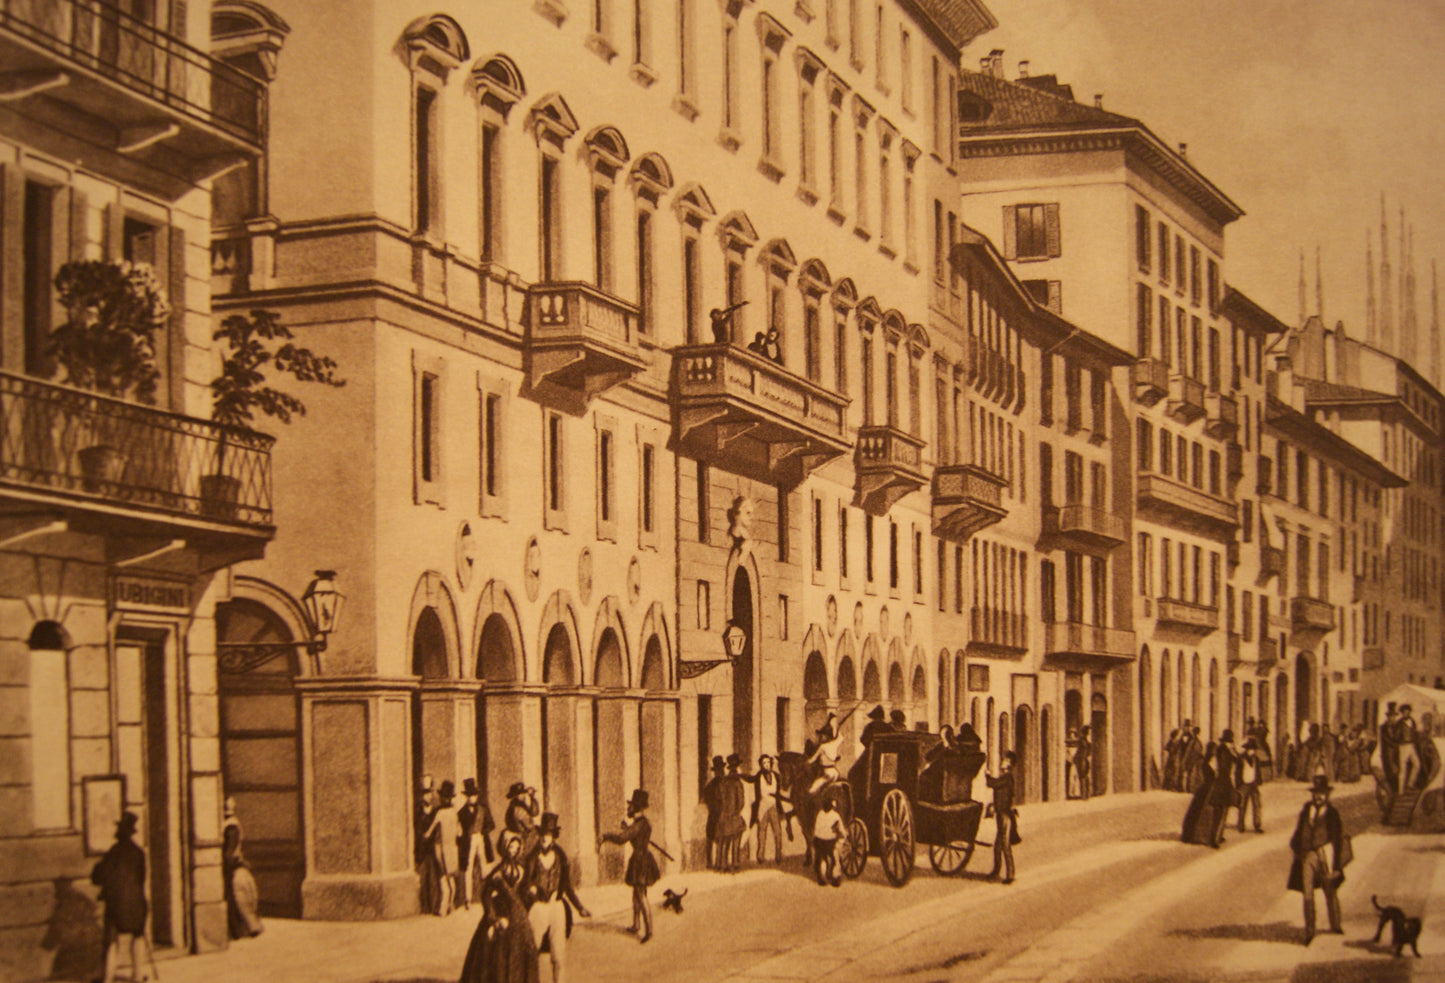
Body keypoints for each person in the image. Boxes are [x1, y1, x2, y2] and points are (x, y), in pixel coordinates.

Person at [459, 831, 539, 983]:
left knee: (527, 949)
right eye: (511, 847)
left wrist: (530, 896)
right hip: (501, 914)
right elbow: (486, 896)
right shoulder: (497, 872)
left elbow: (525, 895)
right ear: (504, 848)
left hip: (518, 917)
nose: (513, 850)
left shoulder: (522, 871)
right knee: (495, 955)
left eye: (516, 848)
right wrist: (493, 918)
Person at [523, 813, 590, 983]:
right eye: (542, 834)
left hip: (557, 907)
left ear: (553, 836)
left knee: (558, 957)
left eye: (548, 834)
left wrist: (580, 907)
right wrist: (530, 892)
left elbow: (567, 886)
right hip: (537, 908)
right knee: (532, 952)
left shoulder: (560, 856)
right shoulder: (532, 857)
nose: (544, 838)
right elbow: (524, 884)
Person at [93, 812, 153, 983]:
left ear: (120, 833)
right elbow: (142, 878)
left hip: (116, 904)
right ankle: (137, 975)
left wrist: (98, 867)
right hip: (136, 903)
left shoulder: (113, 852)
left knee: (112, 941)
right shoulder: (139, 853)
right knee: (138, 936)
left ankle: (108, 978)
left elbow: (98, 877)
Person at [1288, 776, 1347, 945]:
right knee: (1307, 893)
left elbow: (1337, 839)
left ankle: (1335, 924)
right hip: (1308, 857)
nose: (1319, 797)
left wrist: (1336, 866)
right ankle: (1309, 931)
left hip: (1325, 855)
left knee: (1330, 890)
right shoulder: (1306, 810)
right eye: (1316, 794)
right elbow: (1299, 831)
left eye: (1322, 794)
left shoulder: (1332, 814)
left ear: (1327, 795)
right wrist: (1297, 847)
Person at [599, 790, 660, 943]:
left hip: (640, 861)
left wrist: (606, 836)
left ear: (636, 807)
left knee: (641, 895)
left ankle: (649, 930)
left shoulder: (639, 825)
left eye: (630, 807)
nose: (628, 809)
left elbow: (621, 839)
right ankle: (636, 924)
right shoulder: (642, 823)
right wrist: (627, 828)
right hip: (642, 858)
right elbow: (633, 837)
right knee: (636, 893)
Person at [222, 797, 263, 939]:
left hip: (232, 866)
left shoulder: (231, 825)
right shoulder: (230, 824)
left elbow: (230, 850)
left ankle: (242, 930)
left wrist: (226, 861)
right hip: (233, 864)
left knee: (238, 898)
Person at [426, 780, 462, 915]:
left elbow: (430, 830)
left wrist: (426, 835)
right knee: (451, 878)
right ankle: (450, 905)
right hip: (452, 848)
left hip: (441, 847)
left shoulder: (440, 813)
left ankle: (443, 908)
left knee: (442, 877)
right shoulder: (454, 812)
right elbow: (460, 832)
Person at [459, 778, 496, 908]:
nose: (471, 798)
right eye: (469, 796)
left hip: (481, 839)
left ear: (476, 795)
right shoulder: (461, 813)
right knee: (468, 869)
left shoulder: (483, 809)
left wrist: (483, 831)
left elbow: (492, 825)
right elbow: (460, 831)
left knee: (485, 867)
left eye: (473, 795)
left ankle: (488, 895)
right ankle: (467, 899)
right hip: (468, 842)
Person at [985, 752, 1018, 884]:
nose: (1002, 761)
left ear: (1009, 763)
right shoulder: (1005, 777)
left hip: (1005, 816)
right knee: (998, 846)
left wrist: (986, 774)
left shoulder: (1007, 778)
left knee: (1005, 845)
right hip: (1001, 814)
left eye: (1004, 760)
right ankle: (996, 870)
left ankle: (1010, 874)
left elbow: (993, 783)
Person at [1180, 741, 1219, 846]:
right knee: (1204, 812)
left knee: (1200, 811)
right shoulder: (1208, 761)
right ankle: (1199, 836)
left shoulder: (1208, 760)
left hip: (1207, 788)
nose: (1215, 752)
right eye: (1214, 750)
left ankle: (1196, 835)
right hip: (1207, 788)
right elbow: (1209, 775)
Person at [717, 755, 748, 872]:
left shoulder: (723, 781)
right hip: (734, 815)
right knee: (736, 840)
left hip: (724, 815)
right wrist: (736, 811)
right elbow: (741, 802)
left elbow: (719, 798)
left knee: (725, 841)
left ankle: (723, 864)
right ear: (737, 768)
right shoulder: (738, 783)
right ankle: (734, 863)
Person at [751, 755, 784, 865]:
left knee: (778, 832)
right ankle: (760, 855)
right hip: (762, 807)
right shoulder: (758, 777)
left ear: (771, 764)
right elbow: (755, 791)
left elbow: (779, 791)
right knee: (761, 832)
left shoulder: (776, 776)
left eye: (768, 762)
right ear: (761, 765)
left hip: (773, 806)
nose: (766, 765)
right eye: (764, 763)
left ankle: (778, 854)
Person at [1208, 730, 1239, 847]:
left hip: (1219, 782)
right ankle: (1215, 838)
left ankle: (1216, 836)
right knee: (1222, 811)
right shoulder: (1227, 751)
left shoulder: (1219, 749)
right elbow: (1237, 760)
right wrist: (1234, 750)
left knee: (1218, 811)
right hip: (1225, 783)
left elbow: (1212, 765)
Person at [416, 775, 439, 915]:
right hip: (422, 850)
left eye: (430, 793)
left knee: (434, 879)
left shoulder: (436, 811)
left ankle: (434, 906)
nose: (429, 796)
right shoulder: (418, 811)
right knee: (423, 878)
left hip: (434, 848)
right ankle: (425, 907)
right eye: (426, 793)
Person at [811, 791, 844, 887]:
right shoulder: (835, 815)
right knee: (835, 858)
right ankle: (835, 878)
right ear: (833, 807)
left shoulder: (820, 814)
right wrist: (844, 835)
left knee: (820, 858)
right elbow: (840, 830)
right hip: (829, 842)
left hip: (818, 841)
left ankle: (821, 877)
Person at [503, 783, 539, 860]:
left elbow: (535, 812)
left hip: (524, 833)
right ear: (515, 796)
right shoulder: (517, 809)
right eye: (519, 794)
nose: (522, 796)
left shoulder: (523, 803)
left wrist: (530, 799)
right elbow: (528, 826)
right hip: (523, 837)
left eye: (523, 794)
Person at [702, 756, 726, 869]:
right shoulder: (711, 785)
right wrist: (712, 806)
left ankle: (720, 861)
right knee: (710, 837)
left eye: (721, 769)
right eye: (717, 770)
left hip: (724, 813)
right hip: (714, 814)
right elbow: (706, 797)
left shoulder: (727, 783)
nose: (720, 772)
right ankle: (709, 862)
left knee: (722, 837)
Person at [1237, 738, 1264, 833]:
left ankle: (1257, 825)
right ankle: (1241, 825)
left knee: (1257, 804)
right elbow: (1237, 773)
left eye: (1254, 749)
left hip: (1253, 784)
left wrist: (1259, 780)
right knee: (1242, 805)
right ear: (1247, 749)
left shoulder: (1255, 759)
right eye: (1252, 749)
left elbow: (1258, 771)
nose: (1253, 751)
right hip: (1244, 784)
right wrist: (1239, 784)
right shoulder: (1241, 758)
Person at [1396, 704, 1420, 795]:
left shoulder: (1413, 721)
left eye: (1408, 711)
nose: (1406, 713)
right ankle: (1400, 791)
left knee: (1417, 764)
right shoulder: (1399, 723)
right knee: (1403, 769)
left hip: (1411, 745)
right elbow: (1396, 736)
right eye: (1404, 712)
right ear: (1402, 713)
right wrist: (1401, 741)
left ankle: (1410, 784)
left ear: (1410, 712)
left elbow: (1415, 732)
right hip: (1403, 746)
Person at [1075, 726, 1094, 801]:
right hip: (1085, 760)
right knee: (1085, 777)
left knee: (1082, 777)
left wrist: (1074, 758)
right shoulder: (1087, 741)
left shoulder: (1082, 741)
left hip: (1081, 760)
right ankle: (1086, 794)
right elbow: (1089, 751)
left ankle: (1084, 795)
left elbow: (1079, 750)